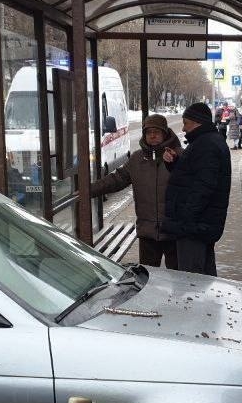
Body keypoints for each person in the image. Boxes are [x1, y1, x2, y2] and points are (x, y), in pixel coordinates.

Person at [90, 114, 183, 268]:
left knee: (177, 278)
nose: (152, 135)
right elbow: (116, 179)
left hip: (173, 232)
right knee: (148, 276)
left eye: (157, 131)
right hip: (147, 232)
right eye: (148, 132)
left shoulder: (178, 155)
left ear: (165, 133)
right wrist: (89, 190)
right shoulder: (137, 159)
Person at [163, 103, 231, 276]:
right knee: (204, 279)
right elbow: (194, 177)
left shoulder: (206, 145)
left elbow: (203, 187)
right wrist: (175, 163)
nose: (183, 128)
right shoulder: (206, 142)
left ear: (197, 123)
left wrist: (185, 218)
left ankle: (196, 304)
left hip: (194, 227)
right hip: (200, 225)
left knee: (191, 280)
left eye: (186, 123)